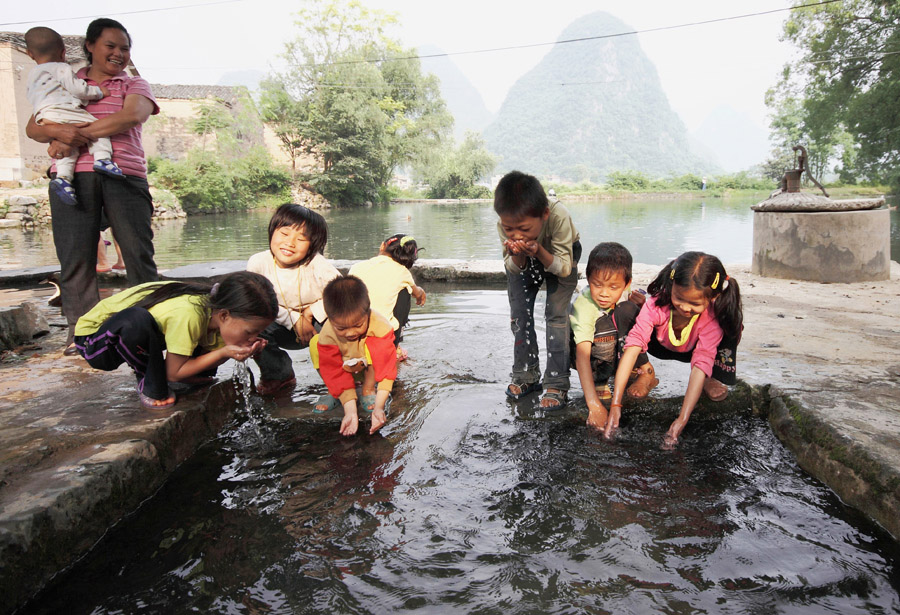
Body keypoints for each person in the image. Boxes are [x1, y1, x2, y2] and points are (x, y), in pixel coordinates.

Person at [25, 18, 161, 357]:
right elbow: (34, 127)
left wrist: (72, 134)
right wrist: (56, 132)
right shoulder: (67, 80)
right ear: (90, 46)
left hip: (124, 175)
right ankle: (81, 333)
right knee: (75, 258)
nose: (118, 54)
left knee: (137, 254)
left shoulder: (134, 84)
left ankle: (149, 325)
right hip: (73, 178)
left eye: (125, 48)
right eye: (110, 46)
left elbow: (132, 117)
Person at [73, 271, 277, 409]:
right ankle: (149, 381)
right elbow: (173, 372)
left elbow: (217, 353)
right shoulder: (189, 313)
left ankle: (162, 375)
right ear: (224, 315)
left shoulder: (214, 314)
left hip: (144, 338)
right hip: (98, 342)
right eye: (251, 331)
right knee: (136, 321)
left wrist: (238, 351)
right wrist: (224, 352)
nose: (253, 337)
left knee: (205, 370)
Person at [602, 252, 743, 448]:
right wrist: (616, 404)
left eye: (695, 303)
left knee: (733, 322)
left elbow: (700, 364)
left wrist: (681, 420)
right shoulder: (657, 305)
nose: (685, 307)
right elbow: (633, 346)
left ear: (713, 297)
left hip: (693, 351)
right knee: (625, 310)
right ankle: (645, 371)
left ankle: (712, 377)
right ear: (671, 285)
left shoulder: (712, 318)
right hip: (659, 346)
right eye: (679, 299)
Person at [494, 170, 581, 409]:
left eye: (523, 228)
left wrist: (538, 251)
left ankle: (557, 383)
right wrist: (518, 255)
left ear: (543, 214)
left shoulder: (558, 216)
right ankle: (526, 375)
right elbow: (513, 269)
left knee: (557, 315)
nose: (516, 234)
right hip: (525, 257)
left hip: (561, 253)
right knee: (520, 314)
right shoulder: (507, 225)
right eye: (509, 229)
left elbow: (563, 269)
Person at [23, 26, 124, 207]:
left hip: (44, 114)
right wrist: (99, 92)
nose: (118, 53)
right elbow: (78, 89)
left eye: (124, 48)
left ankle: (63, 178)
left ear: (30, 54)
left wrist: (54, 128)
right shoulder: (60, 68)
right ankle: (103, 160)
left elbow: (32, 98)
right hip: (63, 111)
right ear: (63, 52)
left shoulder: (32, 74)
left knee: (68, 147)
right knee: (98, 130)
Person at [246, 204, 341, 395]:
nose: (290, 243)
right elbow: (257, 301)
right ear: (272, 231)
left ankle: (340, 377)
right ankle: (278, 374)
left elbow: (344, 292)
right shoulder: (258, 262)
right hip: (277, 326)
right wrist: (294, 319)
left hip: (317, 327)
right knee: (249, 321)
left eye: (301, 238)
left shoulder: (316, 263)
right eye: (284, 233)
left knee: (341, 320)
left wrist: (311, 311)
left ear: (313, 245)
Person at [569, 242, 656, 430]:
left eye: (613, 287)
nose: (604, 294)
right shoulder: (584, 307)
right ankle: (599, 379)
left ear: (627, 284)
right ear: (588, 278)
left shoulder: (626, 294)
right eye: (597, 284)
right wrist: (593, 404)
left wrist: (641, 307)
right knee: (593, 328)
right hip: (595, 354)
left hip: (615, 349)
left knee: (629, 311)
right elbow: (582, 355)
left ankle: (645, 370)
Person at [309, 276, 397, 437]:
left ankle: (368, 389)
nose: (350, 333)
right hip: (343, 364)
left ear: (367, 313)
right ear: (329, 317)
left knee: (372, 344)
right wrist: (350, 412)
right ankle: (334, 392)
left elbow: (387, 369)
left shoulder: (380, 326)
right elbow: (333, 370)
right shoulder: (328, 334)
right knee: (315, 343)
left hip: (368, 368)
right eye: (341, 328)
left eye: (358, 325)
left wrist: (379, 407)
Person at [349, 233, 426, 361]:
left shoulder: (356, 267)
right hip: (381, 334)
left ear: (382, 246)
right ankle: (395, 346)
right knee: (405, 291)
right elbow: (417, 293)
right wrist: (420, 293)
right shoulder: (402, 272)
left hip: (350, 330)